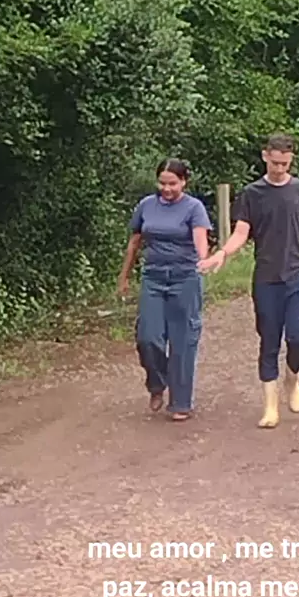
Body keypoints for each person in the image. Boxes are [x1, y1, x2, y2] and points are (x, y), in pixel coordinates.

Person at [198, 132, 299, 429]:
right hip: (266, 278)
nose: (279, 168)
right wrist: (222, 253)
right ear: (265, 156)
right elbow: (241, 232)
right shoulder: (252, 194)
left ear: (291, 159)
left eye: (285, 164)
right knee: (269, 340)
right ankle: (270, 406)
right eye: (275, 163)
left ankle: (292, 380)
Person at [117, 158, 212, 421]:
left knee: (183, 340)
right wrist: (124, 277)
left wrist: (203, 259)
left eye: (172, 183)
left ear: (184, 182)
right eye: (162, 183)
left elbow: (200, 237)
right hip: (153, 277)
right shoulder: (147, 205)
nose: (167, 189)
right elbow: (134, 242)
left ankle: (181, 402)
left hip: (185, 277)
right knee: (147, 337)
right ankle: (157, 383)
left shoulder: (194, 207)